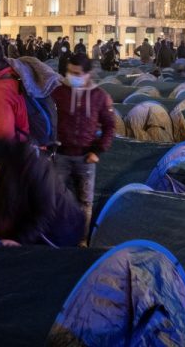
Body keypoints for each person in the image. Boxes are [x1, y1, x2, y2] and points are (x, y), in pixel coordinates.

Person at [0, 139, 84, 247]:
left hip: (59, 231)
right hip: (32, 229)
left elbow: (45, 211)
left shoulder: (30, 163)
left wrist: (19, 240)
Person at [52, 54, 115, 245]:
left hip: (86, 157)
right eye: (69, 72)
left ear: (87, 74)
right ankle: (57, 237)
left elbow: (110, 125)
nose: (71, 76)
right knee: (56, 199)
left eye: (76, 73)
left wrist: (99, 150)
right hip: (61, 155)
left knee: (85, 202)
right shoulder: (58, 92)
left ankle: (82, 239)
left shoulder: (99, 96)